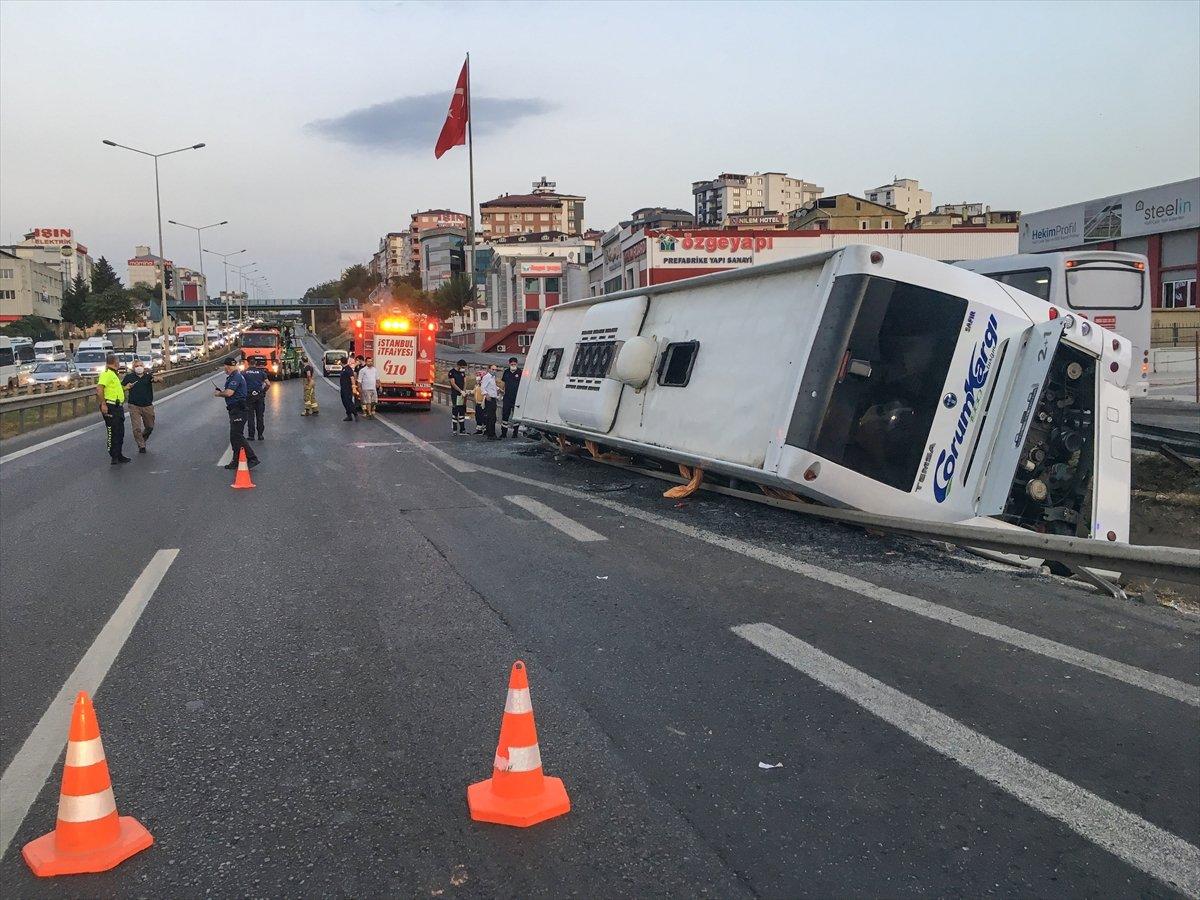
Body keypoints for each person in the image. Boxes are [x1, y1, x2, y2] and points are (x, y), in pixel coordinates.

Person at [215, 356, 259, 469]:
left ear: (228, 366)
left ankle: (252, 458)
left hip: (239, 410)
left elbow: (229, 393)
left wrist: (219, 394)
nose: (224, 368)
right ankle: (235, 461)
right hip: (234, 410)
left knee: (237, 435)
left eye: (225, 366)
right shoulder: (233, 377)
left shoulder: (236, 377)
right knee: (234, 437)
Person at [121, 358, 161, 454]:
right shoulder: (129, 377)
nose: (138, 368)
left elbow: (158, 379)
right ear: (133, 368)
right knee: (136, 428)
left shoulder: (148, 376)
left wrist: (157, 379)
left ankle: (143, 438)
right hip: (134, 405)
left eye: (140, 365)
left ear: (143, 367)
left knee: (150, 426)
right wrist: (126, 387)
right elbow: (120, 387)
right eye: (136, 366)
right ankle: (141, 446)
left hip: (147, 405)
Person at [96, 353, 130, 465]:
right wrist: (103, 404)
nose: (119, 363)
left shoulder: (114, 374)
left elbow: (115, 390)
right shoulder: (106, 374)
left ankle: (119, 454)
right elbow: (99, 389)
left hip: (118, 406)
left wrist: (126, 388)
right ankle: (113, 456)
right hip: (110, 406)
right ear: (115, 362)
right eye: (118, 361)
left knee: (120, 432)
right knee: (112, 431)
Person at [242, 354, 271, 440]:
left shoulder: (244, 373)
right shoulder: (261, 373)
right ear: (256, 363)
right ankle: (260, 435)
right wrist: (263, 391)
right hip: (259, 396)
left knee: (250, 416)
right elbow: (268, 384)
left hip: (249, 397)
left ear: (248, 363)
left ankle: (251, 436)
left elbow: (240, 385)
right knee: (260, 416)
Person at [499, 356, 522, 438]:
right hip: (507, 397)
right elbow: (503, 383)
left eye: (514, 364)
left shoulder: (520, 372)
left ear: (517, 364)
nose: (513, 365)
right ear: (509, 364)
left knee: (516, 416)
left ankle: (515, 433)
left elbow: (523, 384)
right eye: (512, 364)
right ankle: (503, 433)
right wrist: (501, 393)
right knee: (505, 415)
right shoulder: (506, 372)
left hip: (516, 397)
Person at [480, 363, 500, 440]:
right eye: (493, 369)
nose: (494, 371)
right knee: (492, 417)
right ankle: (491, 434)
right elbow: (483, 387)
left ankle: (489, 432)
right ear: (489, 369)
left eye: (495, 370)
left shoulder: (492, 377)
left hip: (493, 398)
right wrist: (486, 394)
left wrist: (498, 389)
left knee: (491, 417)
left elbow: (492, 386)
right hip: (490, 399)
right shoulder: (487, 377)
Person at [448, 359, 467, 434]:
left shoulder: (462, 372)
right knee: (456, 410)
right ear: (459, 365)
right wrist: (460, 391)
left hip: (462, 394)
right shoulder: (452, 372)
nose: (463, 368)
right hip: (455, 394)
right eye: (463, 367)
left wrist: (464, 391)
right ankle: (454, 429)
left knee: (462, 411)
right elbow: (453, 383)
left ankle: (462, 429)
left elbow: (465, 381)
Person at [339, 355, 358, 421]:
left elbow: (352, 378)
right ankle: (349, 415)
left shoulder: (348, 368)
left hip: (347, 389)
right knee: (344, 402)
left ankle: (355, 414)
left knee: (348, 401)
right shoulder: (344, 368)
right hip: (343, 388)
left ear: (342, 362)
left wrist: (353, 387)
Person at [472, 368, 486, 434]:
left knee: (483, 416)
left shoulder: (484, 386)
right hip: (477, 403)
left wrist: (483, 401)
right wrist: (468, 392)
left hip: (483, 404)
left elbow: (485, 395)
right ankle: (479, 429)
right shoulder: (476, 385)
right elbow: (474, 391)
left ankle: (485, 429)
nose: (477, 379)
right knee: (478, 416)